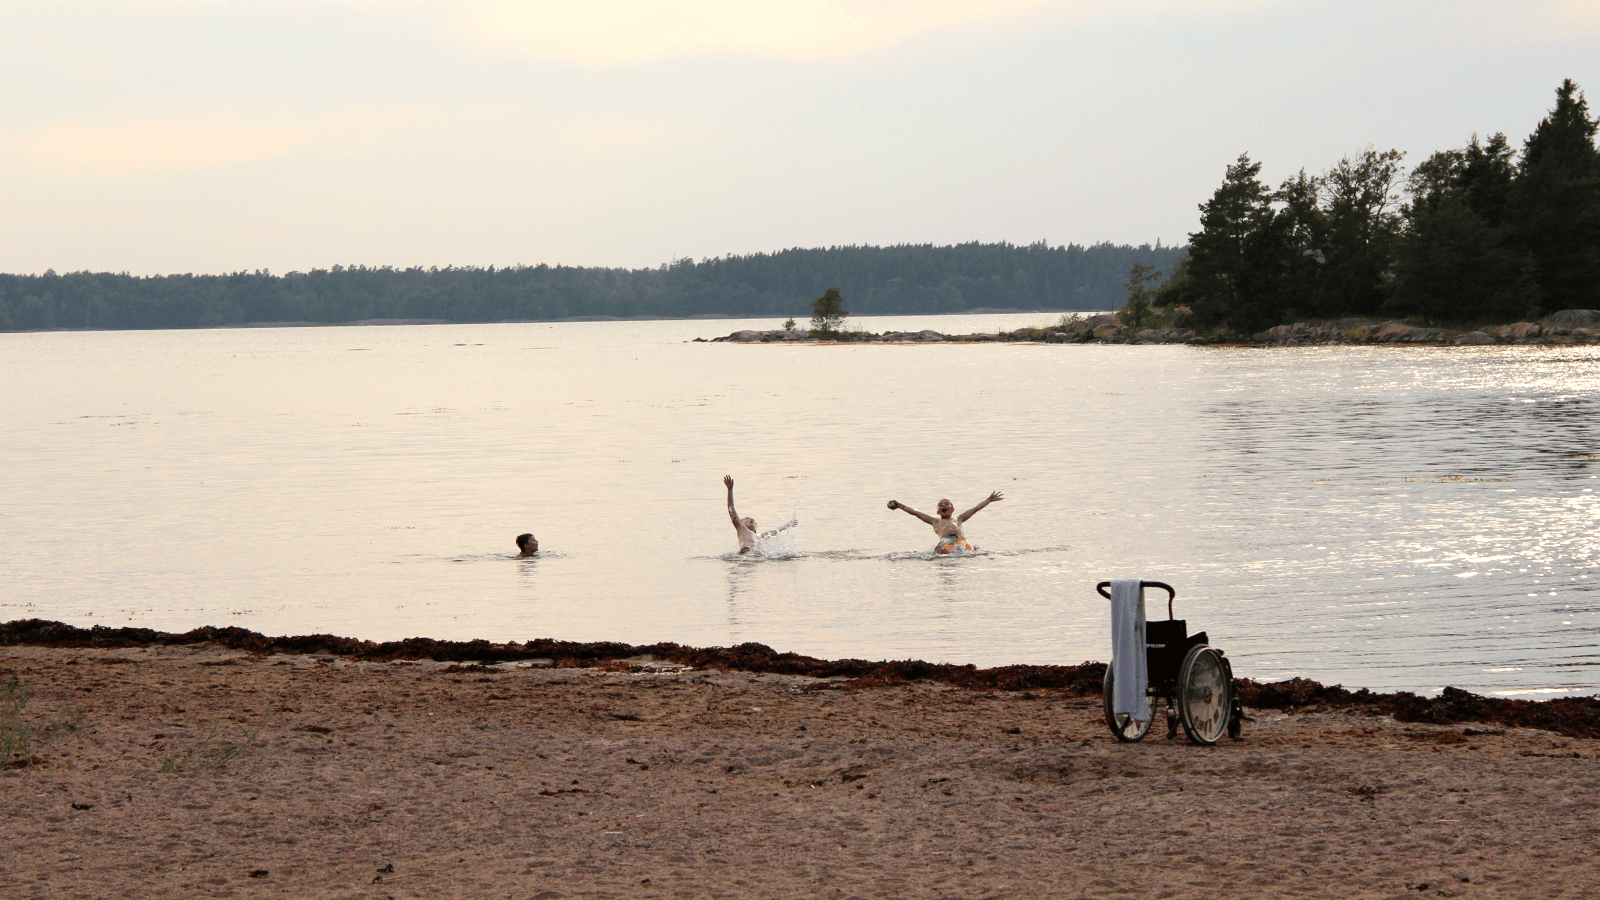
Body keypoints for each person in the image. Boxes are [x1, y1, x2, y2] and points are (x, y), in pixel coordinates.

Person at [887, 491, 1003, 554]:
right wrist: (900, 506)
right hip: (946, 541)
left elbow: (975, 509)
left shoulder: (959, 519)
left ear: (952, 509)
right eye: (941, 505)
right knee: (940, 551)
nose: (943, 505)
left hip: (960, 540)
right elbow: (916, 513)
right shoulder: (935, 521)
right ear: (938, 512)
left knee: (973, 551)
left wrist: (989, 500)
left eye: (947, 504)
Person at [724, 475, 795, 556]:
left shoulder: (759, 536)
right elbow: (731, 510)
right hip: (747, 553)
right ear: (741, 522)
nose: (752, 520)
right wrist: (730, 490)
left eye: (753, 521)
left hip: (760, 556)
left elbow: (775, 532)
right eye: (747, 519)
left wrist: (788, 525)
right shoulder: (741, 528)